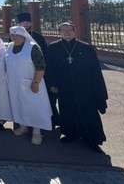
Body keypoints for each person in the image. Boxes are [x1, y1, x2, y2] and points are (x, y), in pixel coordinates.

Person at [47, 23, 108, 152]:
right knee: (67, 110)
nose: (67, 33)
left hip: (84, 87)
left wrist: (97, 88)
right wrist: (52, 84)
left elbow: (95, 70)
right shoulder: (53, 48)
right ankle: (70, 134)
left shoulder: (86, 48)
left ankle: (92, 139)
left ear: (75, 31)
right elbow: (49, 69)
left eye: (69, 30)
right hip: (64, 87)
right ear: (59, 32)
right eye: (63, 31)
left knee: (88, 112)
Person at [5, 26, 52, 145]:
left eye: (16, 34)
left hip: (31, 83)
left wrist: (36, 82)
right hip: (14, 84)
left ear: (23, 35)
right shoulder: (10, 46)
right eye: (12, 35)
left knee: (34, 106)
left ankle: (37, 132)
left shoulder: (32, 47)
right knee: (18, 104)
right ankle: (23, 126)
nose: (13, 37)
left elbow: (41, 67)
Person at [16, 12, 56, 126]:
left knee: (37, 100)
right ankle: (22, 123)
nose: (25, 24)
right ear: (19, 24)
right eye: (23, 22)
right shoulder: (14, 36)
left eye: (27, 22)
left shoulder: (38, 37)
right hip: (19, 73)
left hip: (36, 73)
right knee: (21, 99)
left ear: (30, 23)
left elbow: (44, 57)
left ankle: (39, 126)